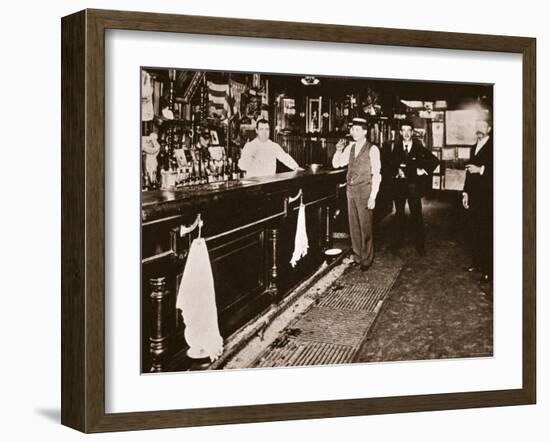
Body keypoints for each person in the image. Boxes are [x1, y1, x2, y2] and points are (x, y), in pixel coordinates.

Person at [332, 117, 382, 271]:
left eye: (357, 130)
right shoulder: (350, 148)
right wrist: (338, 150)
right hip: (351, 190)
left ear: (365, 131)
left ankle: (366, 259)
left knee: (365, 226)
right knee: (353, 226)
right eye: (352, 129)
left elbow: (377, 174)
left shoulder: (372, 149)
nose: (353, 132)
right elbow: (337, 163)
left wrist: (373, 196)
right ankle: (357, 255)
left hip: (365, 190)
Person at [390, 120, 439, 256]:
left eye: (408, 131)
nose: (406, 133)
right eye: (403, 131)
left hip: (413, 188)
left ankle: (420, 246)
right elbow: (390, 164)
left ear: (412, 132)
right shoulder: (397, 147)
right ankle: (397, 242)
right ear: (400, 133)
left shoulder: (419, 148)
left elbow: (434, 161)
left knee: (416, 216)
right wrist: (396, 172)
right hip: (399, 188)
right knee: (399, 215)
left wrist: (422, 170)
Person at [462, 119, 493, 284]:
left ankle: (489, 270)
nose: (479, 129)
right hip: (473, 195)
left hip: (487, 197)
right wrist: (465, 193)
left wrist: (481, 170)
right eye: (477, 126)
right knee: (474, 230)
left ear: (489, 128)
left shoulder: (495, 146)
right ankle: (477, 263)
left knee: (487, 233)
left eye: (483, 126)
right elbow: (468, 172)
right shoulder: (475, 146)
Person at [238, 119, 303, 177]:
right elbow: (242, 166)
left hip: (269, 183)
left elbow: (284, 157)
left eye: (267, 129)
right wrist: (250, 158)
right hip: (254, 185)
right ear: (256, 130)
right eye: (261, 129)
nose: (264, 132)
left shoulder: (273, 146)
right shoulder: (250, 146)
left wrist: (295, 167)